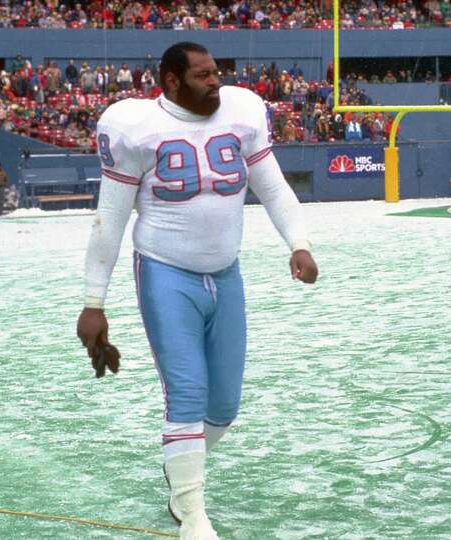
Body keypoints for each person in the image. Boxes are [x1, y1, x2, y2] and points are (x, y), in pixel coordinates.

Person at [75, 42, 318, 540]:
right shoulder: (136, 128)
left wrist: (299, 243)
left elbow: (272, 187)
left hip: (226, 274)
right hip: (166, 271)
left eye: (216, 72)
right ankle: (192, 513)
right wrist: (93, 302)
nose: (216, 82)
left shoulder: (242, 112)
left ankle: (179, 471)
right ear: (170, 80)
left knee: (224, 406)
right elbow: (112, 218)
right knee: (186, 391)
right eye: (204, 74)